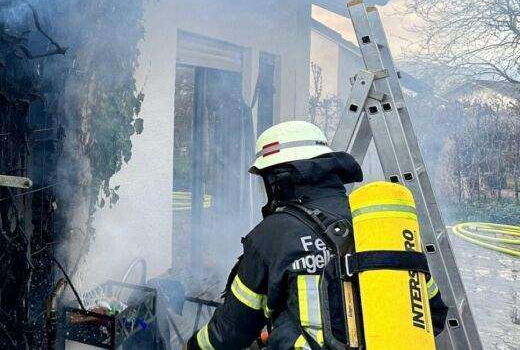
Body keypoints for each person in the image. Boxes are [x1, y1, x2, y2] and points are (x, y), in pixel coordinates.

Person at [187, 121, 447, 350]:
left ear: (279, 179)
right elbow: (433, 312)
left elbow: (229, 334)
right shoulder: (378, 227)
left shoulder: (272, 236)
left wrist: (194, 346)